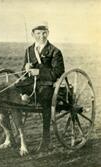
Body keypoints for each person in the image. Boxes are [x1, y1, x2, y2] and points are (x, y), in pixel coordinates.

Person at [15, 21, 65, 151]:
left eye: (44, 33)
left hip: (47, 84)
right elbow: (24, 71)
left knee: (45, 101)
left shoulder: (55, 51)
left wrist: (39, 72)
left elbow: (58, 72)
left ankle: (46, 141)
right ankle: (26, 98)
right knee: (15, 88)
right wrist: (25, 68)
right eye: (38, 33)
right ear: (33, 34)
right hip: (32, 83)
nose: (41, 36)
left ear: (48, 33)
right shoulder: (29, 50)